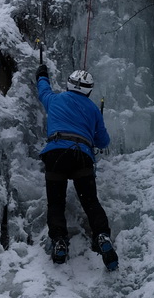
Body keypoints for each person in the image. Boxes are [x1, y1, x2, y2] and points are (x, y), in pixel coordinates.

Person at [36, 62, 118, 268]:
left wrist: (42, 74)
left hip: (55, 154)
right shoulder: (93, 109)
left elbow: (43, 90)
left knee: (56, 203)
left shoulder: (54, 99)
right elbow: (103, 142)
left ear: (69, 84)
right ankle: (102, 236)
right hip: (81, 156)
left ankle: (59, 241)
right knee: (90, 202)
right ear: (89, 91)